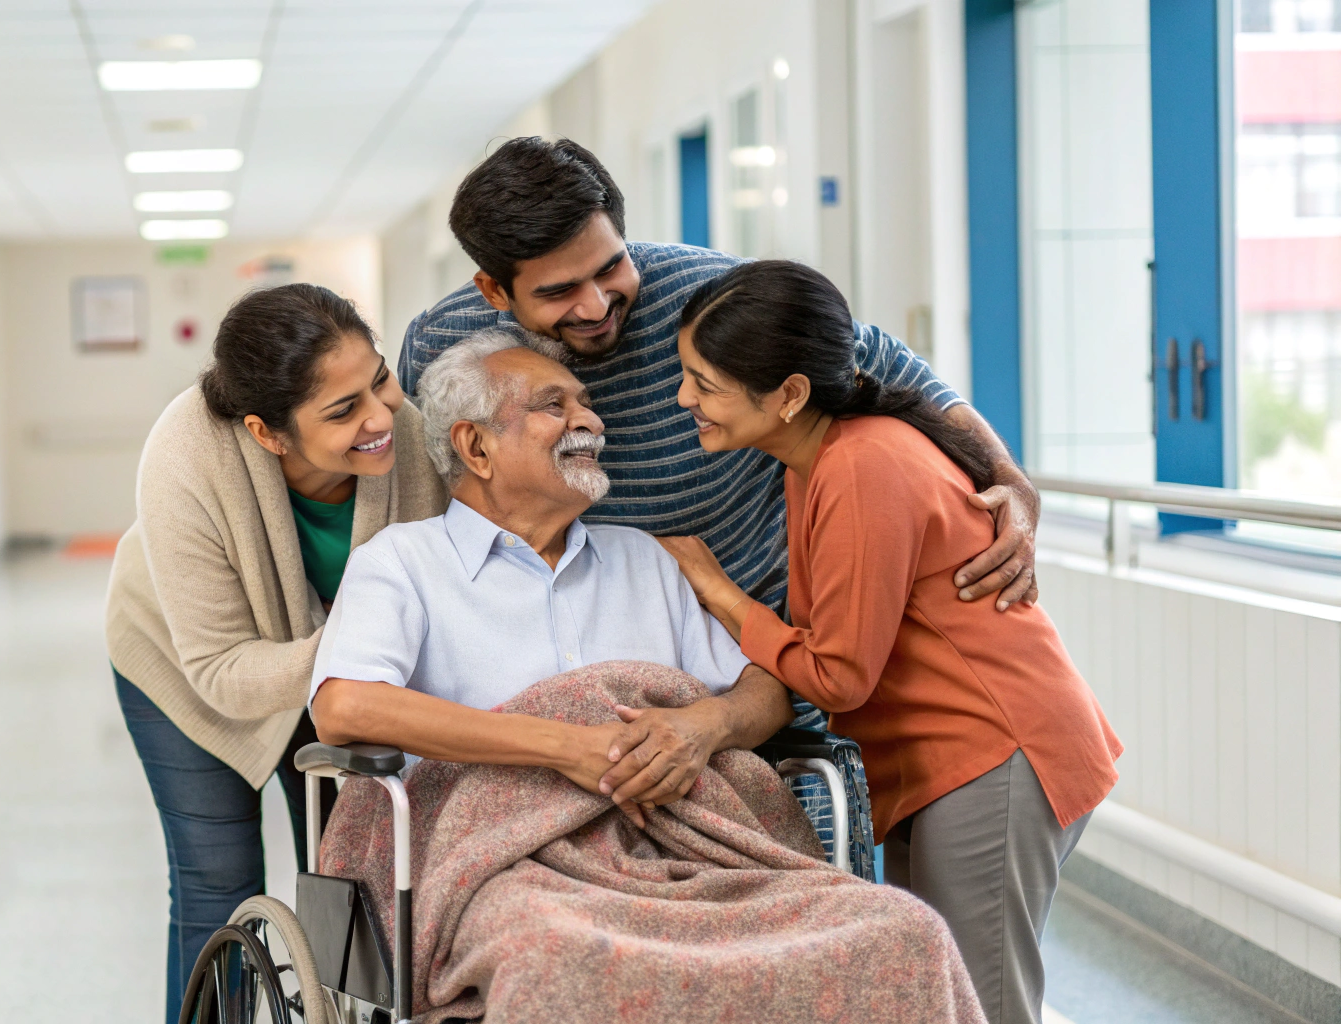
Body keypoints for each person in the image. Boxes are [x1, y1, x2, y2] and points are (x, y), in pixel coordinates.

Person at [399, 139, 1045, 856]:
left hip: (781, 664)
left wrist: (1009, 480)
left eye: (610, 266)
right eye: (558, 292)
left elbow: (896, 371)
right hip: (607, 678)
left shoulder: (708, 294)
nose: (596, 302)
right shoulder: (445, 346)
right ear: (496, 292)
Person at [657, 260, 1122, 1024]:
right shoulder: (818, 459)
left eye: (704, 383)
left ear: (789, 395)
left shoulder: (862, 465)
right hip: (957, 762)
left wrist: (721, 596)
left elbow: (839, 676)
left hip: (996, 753)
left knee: (979, 1006)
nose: (684, 400)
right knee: (930, 996)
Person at [103, 284, 446, 1021]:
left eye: (378, 380)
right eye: (343, 410)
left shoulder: (408, 438)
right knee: (217, 879)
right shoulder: (184, 457)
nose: (382, 417)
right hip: (188, 666)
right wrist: (360, 653)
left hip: (336, 669)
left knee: (347, 874)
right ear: (268, 432)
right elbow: (222, 670)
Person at [310, 329, 796, 820]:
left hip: (671, 841)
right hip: (494, 847)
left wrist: (706, 725)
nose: (591, 421)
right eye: (552, 406)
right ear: (475, 447)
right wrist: (567, 747)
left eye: (585, 404)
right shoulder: (400, 561)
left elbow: (766, 693)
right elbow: (344, 706)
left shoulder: (644, 558)